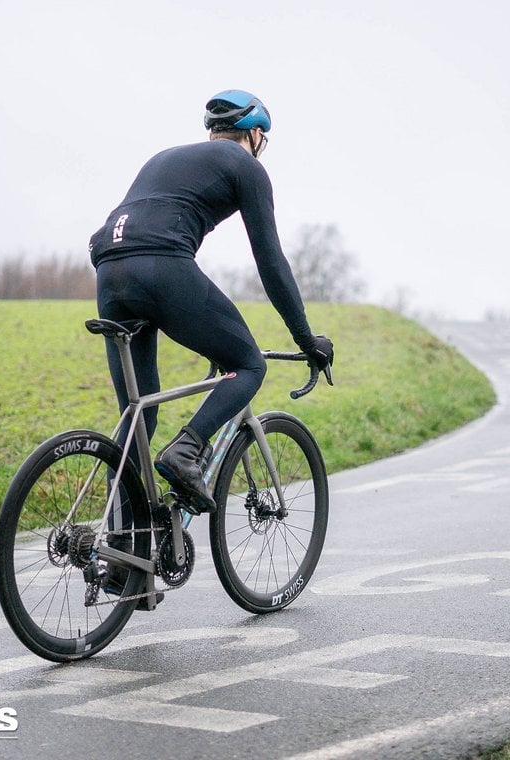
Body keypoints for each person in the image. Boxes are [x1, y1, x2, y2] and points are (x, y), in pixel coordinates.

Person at [89, 89, 333, 516]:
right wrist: (305, 337)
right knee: (249, 362)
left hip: (110, 269)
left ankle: (122, 560)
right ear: (255, 134)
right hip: (161, 264)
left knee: (137, 418)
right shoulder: (246, 166)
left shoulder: (164, 158)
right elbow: (270, 261)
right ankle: (186, 451)